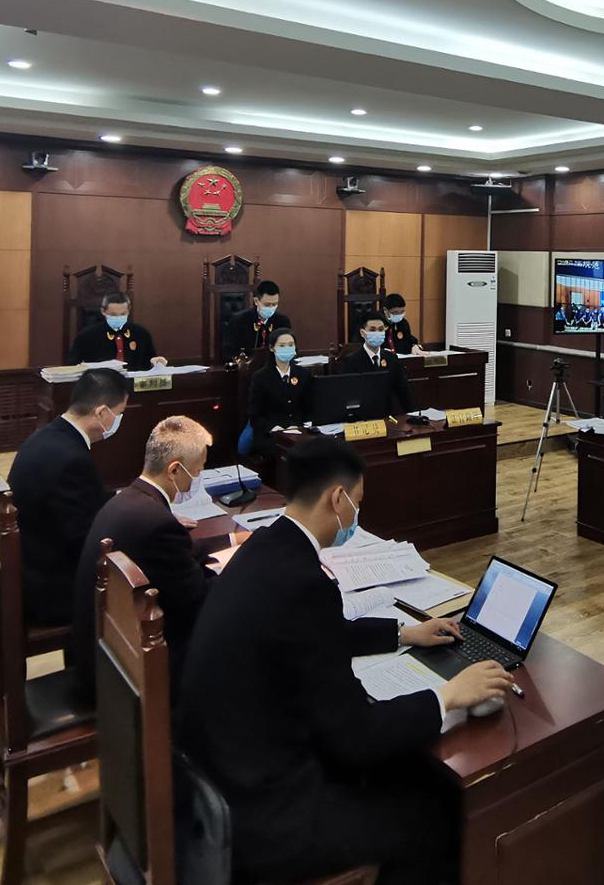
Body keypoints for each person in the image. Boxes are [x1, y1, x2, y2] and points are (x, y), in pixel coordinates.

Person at [177, 438, 513, 885]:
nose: (357, 515)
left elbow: (308, 633)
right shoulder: (305, 583)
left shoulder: (264, 546)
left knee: (412, 774)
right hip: (265, 814)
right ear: (337, 498)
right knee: (435, 810)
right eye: (358, 502)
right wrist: (447, 695)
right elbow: (355, 737)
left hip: (215, 778)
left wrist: (402, 633)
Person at [70, 416, 214, 706]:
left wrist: (222, 545)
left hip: (97, 651)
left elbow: (170, 555)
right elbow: (196, 598)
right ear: (175, 470)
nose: (197, 479)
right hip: (124, 674)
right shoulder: (157, 522)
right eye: (197, 471)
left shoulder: (125, 500)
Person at [8, 368, 130, 628]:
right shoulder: (72, 460)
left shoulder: (48, 435)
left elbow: (83, 502)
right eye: (119, 413)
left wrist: (126, 500)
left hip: (31, 568)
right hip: (53, 591)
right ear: (101, 413)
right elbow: (88, 542)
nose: (118, 421)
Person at [247, 328, 314, 457]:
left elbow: (309, 407)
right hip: (270, 433)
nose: (287, 348)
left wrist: (298, 426)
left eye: (290, 345)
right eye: (282, 346)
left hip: (299, 430)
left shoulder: (303, 374)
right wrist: (274, 428)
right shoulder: (260, 377)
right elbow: (255, 414)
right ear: (272, 348)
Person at [67, 291, 166, 372]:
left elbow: (149, 362)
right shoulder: (85, 336)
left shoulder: (141, 334)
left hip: (133, 384)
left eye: (123, 314)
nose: (118, 317)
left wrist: (155, 362)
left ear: (128, 311)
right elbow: (73, 366)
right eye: (113, 315)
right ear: (103, 311)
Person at [342, 315, 414, 416]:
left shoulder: (391, 358)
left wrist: (413, 414)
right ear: (362, 333)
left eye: (380, 329)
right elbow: (347, 395)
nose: (377, 333)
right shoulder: (351, 361)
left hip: (386, 416)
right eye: (372, 330)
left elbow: (404, 391)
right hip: (361, 417)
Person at [223, 280, 291, 359]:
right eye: (267, 304)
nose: (271, 308)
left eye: (274, 304)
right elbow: (229, 351)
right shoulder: (238, 321)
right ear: (256, 301)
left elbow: (289, 347)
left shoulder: (282, 321)